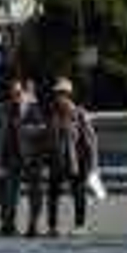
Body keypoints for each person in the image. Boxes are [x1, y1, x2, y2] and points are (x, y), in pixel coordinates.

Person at [44, 80, 98, 237]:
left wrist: (93, 164)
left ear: (69, 95)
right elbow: (48, 137)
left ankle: (80, 225)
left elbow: (91, 140)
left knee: (78, 193)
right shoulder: (52, 114)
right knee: (53, 195)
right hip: (56, 160)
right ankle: (52, 226)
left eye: (62, 94)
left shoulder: (79, 113)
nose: (59, 97)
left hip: (76, 160)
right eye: (57, 94)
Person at [0, 79, 43, 237]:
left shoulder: (33, 107)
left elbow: (42, 128)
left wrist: (27, 129)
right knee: (10, 193)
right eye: (12, 92)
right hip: (12, 155)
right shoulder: (7, 108)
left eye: (18, 93)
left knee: (34, 192)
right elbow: (2, 134)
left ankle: (33, 226)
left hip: (32, 156)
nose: (15, 95)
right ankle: (8, 225)